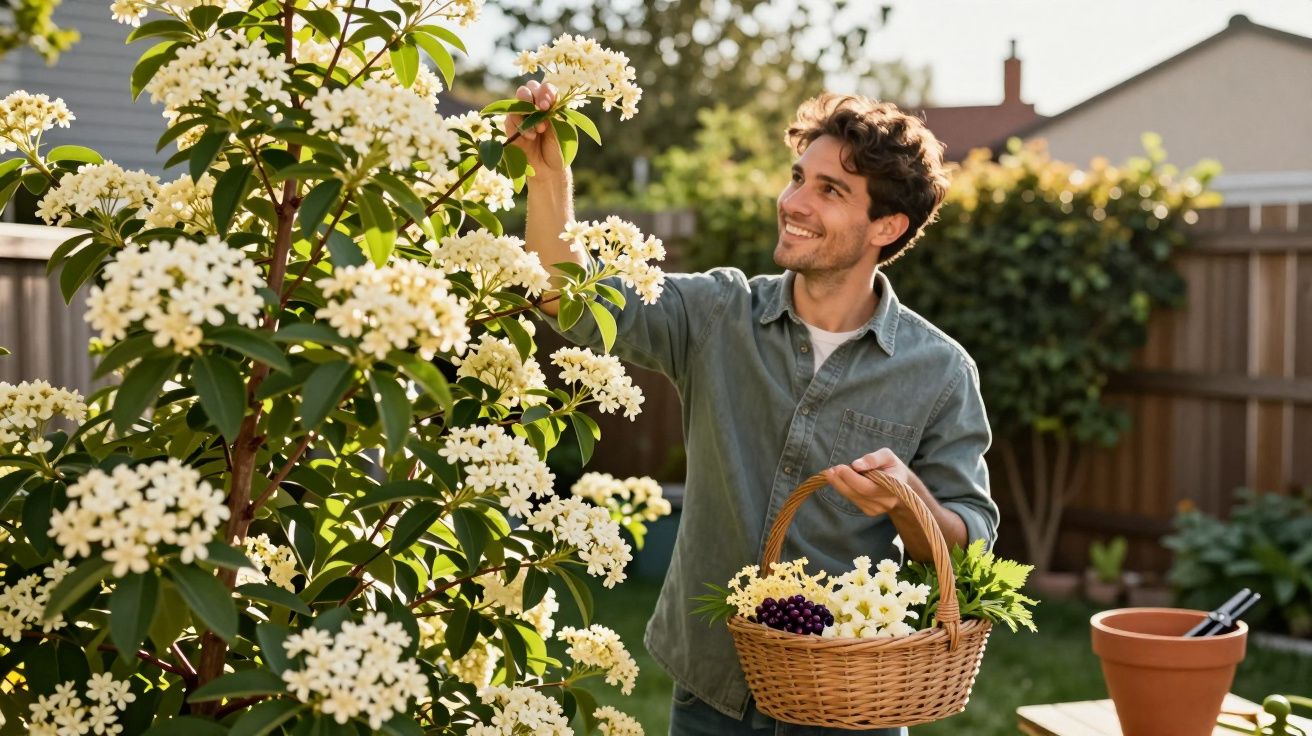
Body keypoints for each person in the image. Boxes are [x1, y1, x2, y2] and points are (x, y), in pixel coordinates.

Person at [506, 83, 1000, 736]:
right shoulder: (719, 314)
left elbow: (970, 550)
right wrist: (548, 177)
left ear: (887, 226)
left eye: (830, 190)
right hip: (713, 693)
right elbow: (570, 299)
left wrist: (911, 501)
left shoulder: (939, 373)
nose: (792, 202)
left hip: (850, 706)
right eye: (799, 177)